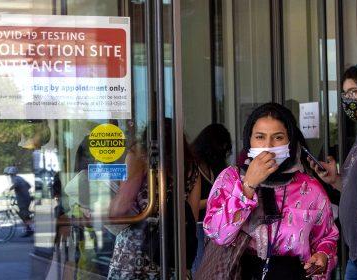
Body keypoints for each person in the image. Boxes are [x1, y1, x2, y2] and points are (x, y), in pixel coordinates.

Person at [203, 103, 339, 279]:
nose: (268, 145)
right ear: (249, 140)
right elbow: (217, 234)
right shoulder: (230, 179)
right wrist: (248, 185)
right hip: (240, 273)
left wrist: (323, 256)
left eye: (278, 137)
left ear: (290, 142)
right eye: (260, 137)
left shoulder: (310, 188)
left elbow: (327, 237)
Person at [107, 119, 201, 279]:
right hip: (173, 253)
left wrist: (98, 208)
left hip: (137, 253)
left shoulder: (139, 158)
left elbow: (121, 206)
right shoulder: (191, 168)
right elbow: (192, 216)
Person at [308, 65, 357, 280]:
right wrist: (335, 180)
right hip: (356, 254)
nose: (350, 99)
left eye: (355, 91)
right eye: (346, 94)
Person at [190, 123, 232, 273]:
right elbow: (190, 204)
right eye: (221, 147)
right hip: (197, 223)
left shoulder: (214, 166)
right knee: (200, 264)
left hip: (213, 224)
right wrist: (213, 201)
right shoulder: (192, 166)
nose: (222, 153)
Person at [4, 166, 34, 237]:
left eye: (9, 174)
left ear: (11, 174)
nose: (9, 176)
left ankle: (30, 229)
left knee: (24, 215)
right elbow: (29, 185)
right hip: (25, 198)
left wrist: (8, 190)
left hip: (23, 199)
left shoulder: (15, 179)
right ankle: (29, 229)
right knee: (23, 214)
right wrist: (22, 191)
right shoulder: (19, 178)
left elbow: (15, 185)